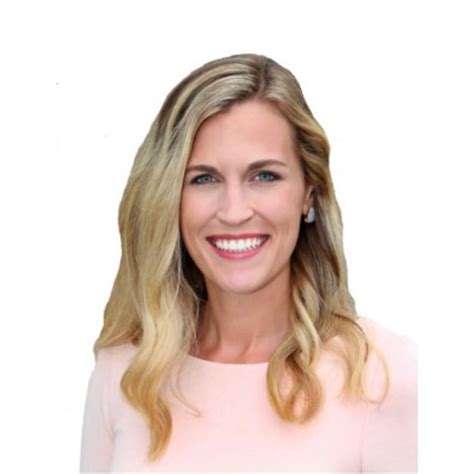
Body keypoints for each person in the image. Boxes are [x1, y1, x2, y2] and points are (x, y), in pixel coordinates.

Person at [79, 53, 417, 472]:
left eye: (264, 176)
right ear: (168, 199)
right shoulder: (125, 373)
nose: (234, 211)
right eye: (204, 178)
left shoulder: (384, 373)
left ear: (309, 192)